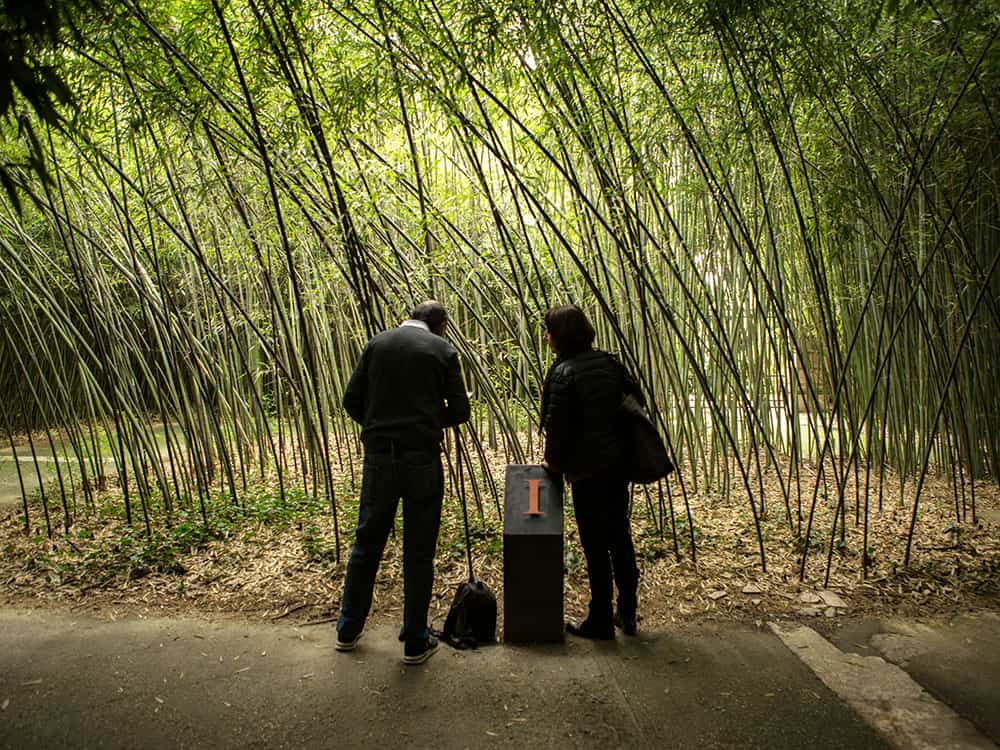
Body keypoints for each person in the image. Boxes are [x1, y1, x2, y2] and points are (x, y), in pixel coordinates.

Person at [336, 300, 471, 665]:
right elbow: (460, 410)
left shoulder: (377, 343)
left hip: (379, 458)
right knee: (419, 548)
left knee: (367, 540)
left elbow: (351, 400)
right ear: (440, 325)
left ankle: (347, 629)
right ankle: (414, 639)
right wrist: (425, 419)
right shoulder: (442, 350)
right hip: (421, 459)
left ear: (409, 316)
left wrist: (380, 422)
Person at [540, 304, 643, 639]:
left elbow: (556, 428)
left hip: (586, 473)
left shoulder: (563, 372)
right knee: (620, 537)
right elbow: (636, 402)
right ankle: (627, 613)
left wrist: (553, 466)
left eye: (549, 331)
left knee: (595, 545)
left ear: (559, 336)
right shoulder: (610, 363)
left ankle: (600, 619)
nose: (546, 337)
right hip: (616, 467)